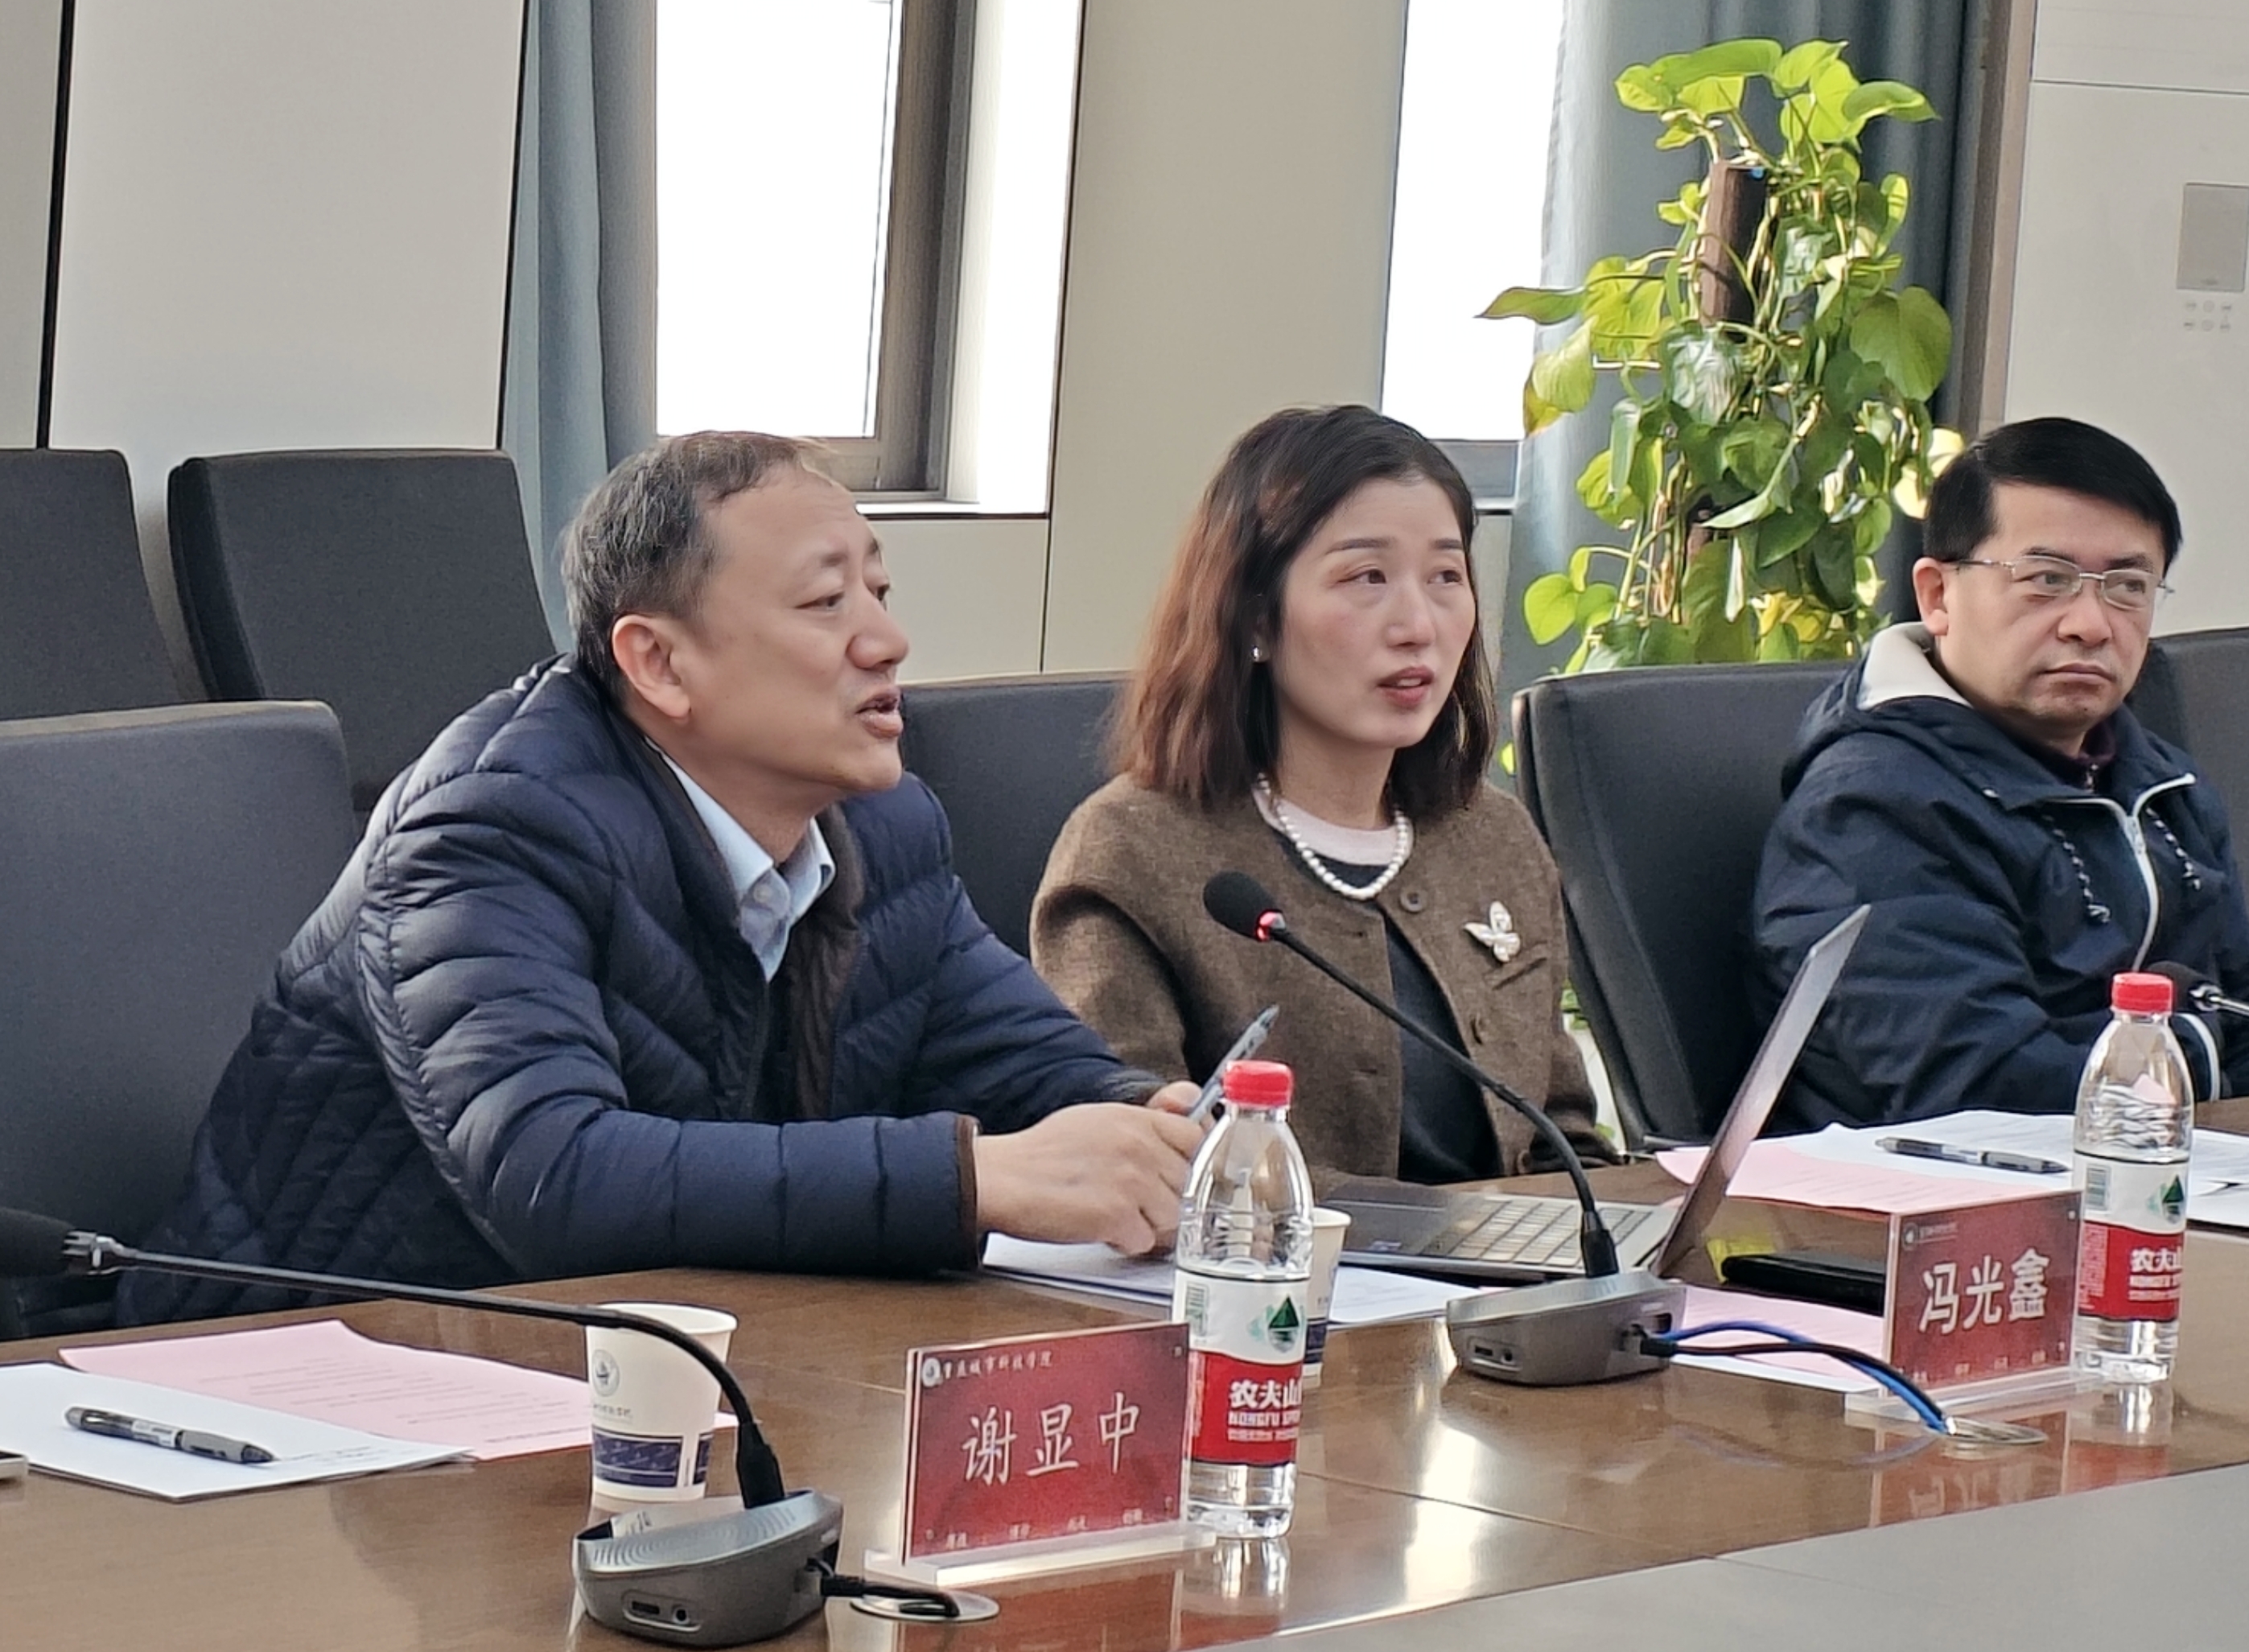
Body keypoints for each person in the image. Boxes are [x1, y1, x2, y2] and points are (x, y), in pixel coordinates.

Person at [130, 432, 1207, 1320]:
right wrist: (972, 1180)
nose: (887, 641)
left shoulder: (885, 827)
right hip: (304, 1378)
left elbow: (1019, 1060)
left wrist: (1144, 1127)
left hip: (643, 1367)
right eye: (826, 604)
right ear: (658, 661)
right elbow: (557, 1177)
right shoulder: (490, 828)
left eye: (880, 591)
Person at [1035, 407, 1608, 1186]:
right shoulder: (1130, 853)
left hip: (1506, 1265)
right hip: (1271, 1261)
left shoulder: (1493, 837)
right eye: (1367, 578)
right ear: (1255, 617)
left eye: (1446, 577)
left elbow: (1564, 1141)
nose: (1418, 625)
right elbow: (1140, 1161)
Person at [1754, 416, 2249, 1124]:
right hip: (1946, 1185)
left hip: (2169, 1170)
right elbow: (1984, 1088)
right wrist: (2199, 1052)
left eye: (2128, 586)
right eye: (2048, 580)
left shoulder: (2164, 785)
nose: (2091, 624)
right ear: (1937, 596)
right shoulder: (1874, 804)